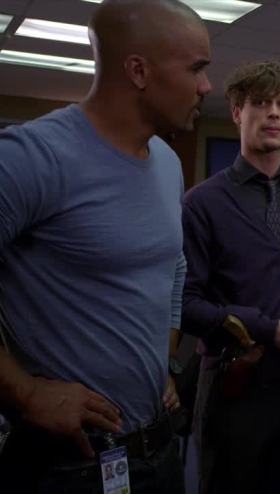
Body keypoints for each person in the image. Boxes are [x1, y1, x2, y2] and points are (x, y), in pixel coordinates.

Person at [0, 0, 212, 492]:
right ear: (138, 71)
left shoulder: (166, 162)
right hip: (68, 465)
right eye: (196, 68)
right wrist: (26, 393)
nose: (206, 85)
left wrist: (160, 363)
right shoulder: (34, 157)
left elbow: (173, 270)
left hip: (156, 451)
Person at [181, 60, 280, 494]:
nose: (273, 112)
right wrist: (267, 329)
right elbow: (185, 303)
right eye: (260, 103)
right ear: (238, 112)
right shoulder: (202, 203)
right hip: (236, 390)